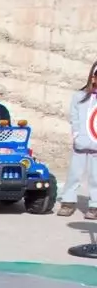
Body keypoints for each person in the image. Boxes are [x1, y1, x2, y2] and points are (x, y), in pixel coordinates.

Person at [57, 59, 97, 219]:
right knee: (74, 174)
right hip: (81, 142)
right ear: (93, 77)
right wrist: (76, 136)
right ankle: (68, 201)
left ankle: (94, 205)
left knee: (96, 176)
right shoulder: (79, 96)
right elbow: (74, 118)